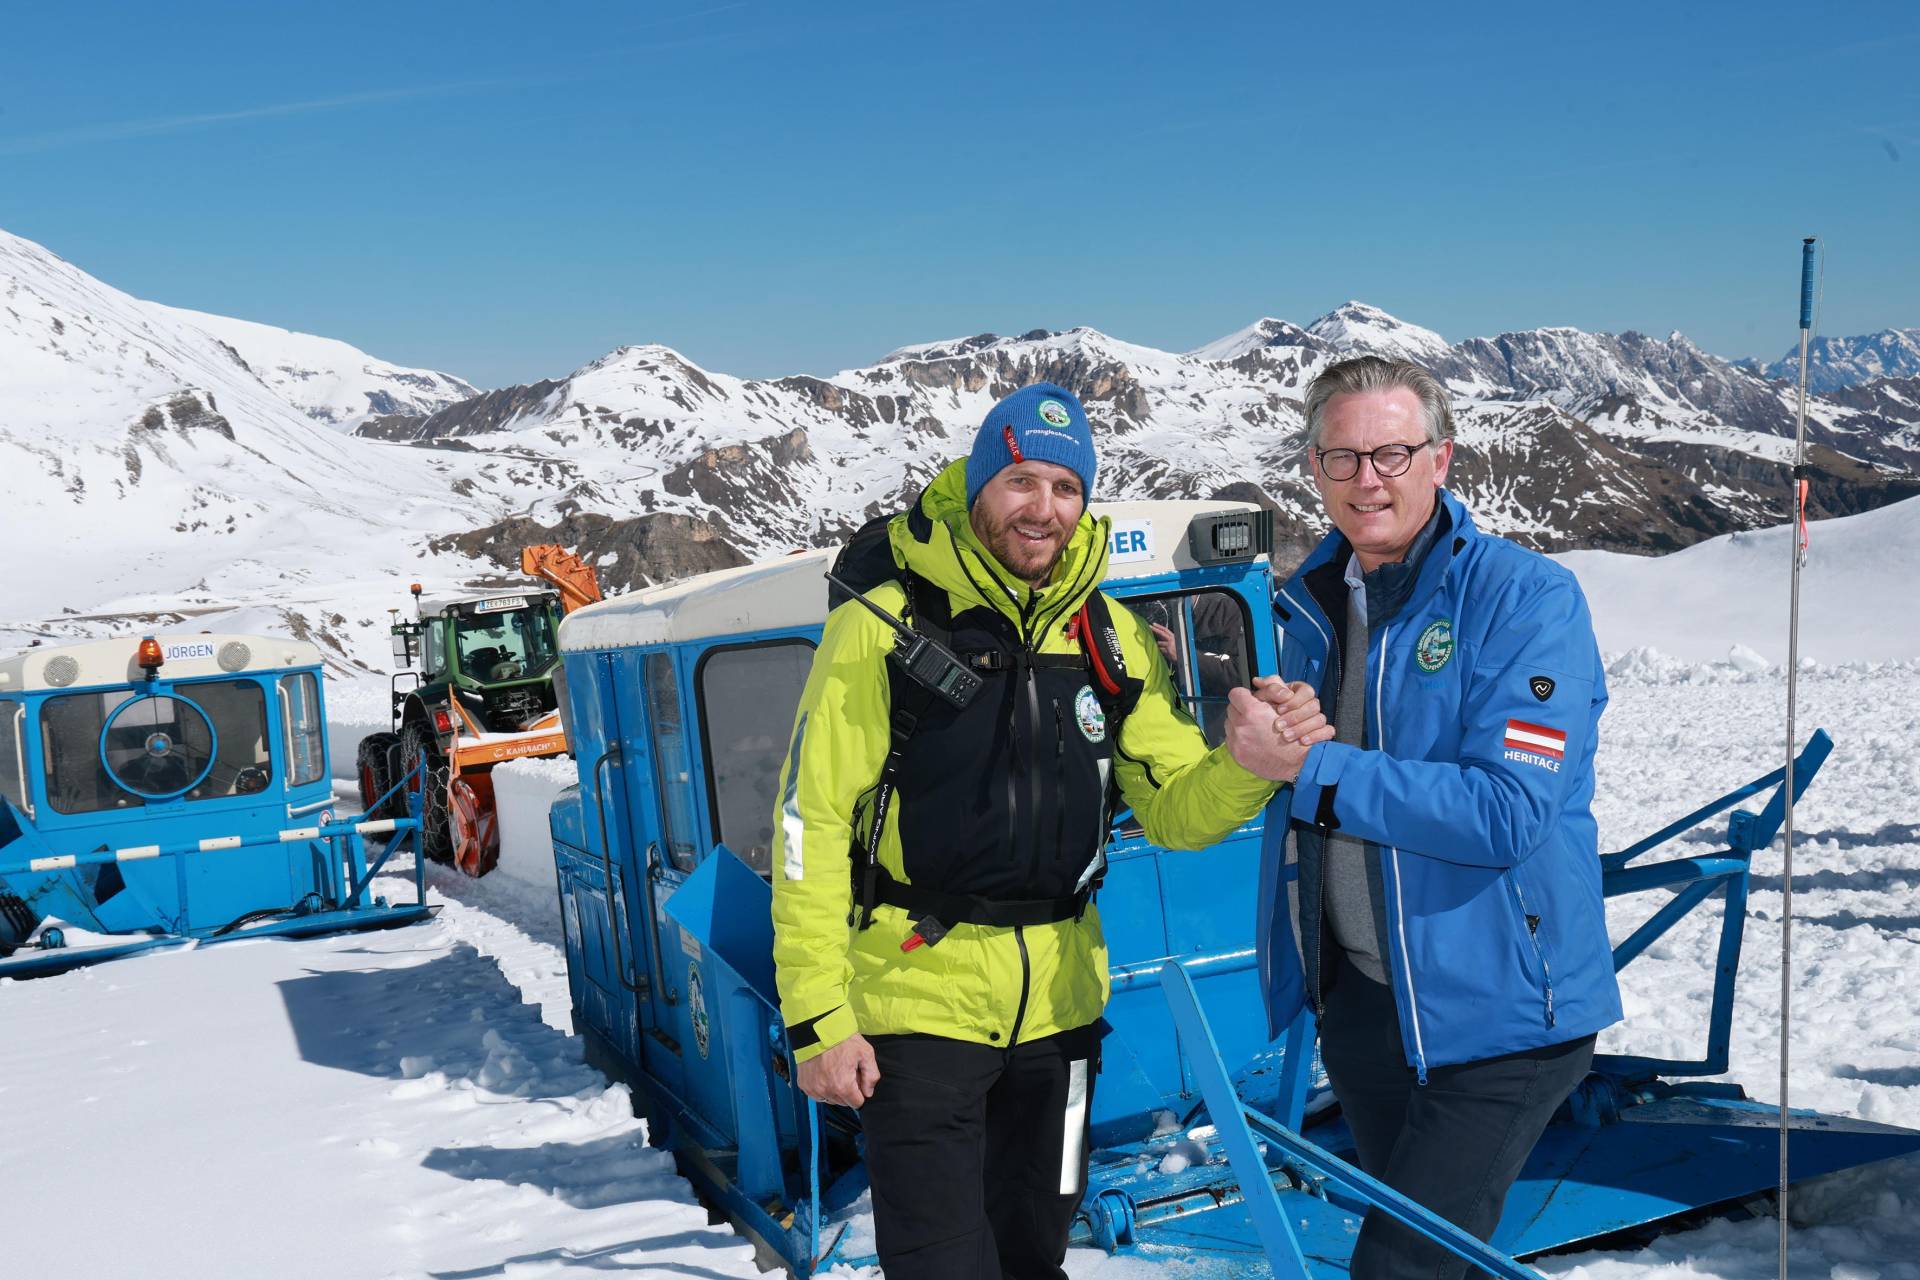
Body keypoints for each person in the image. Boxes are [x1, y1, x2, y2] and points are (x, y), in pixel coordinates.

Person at [769, 382, 1329, 1280]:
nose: (1044, 509)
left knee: (1035, 1258)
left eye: (1066, 487)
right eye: (1021, 481)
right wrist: (818, 1020)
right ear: (982, 484)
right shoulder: (883, 630)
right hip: (917, 1012)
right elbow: (810, 825)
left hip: (1063, 1014)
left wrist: (1245, 767)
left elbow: (1176, 810)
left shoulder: (1109, 635)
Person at [1238, 355, 1623, 1280]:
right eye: (1342, 458)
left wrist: (1313, 768)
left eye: (1392, 453)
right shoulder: (1315, 605)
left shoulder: (1525, 600)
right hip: (1370, 1005)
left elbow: (1507, 811)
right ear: (1314, 469)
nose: (1368, 479)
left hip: (1501, 1012)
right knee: (1439, 1260)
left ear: (1440, 460)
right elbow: (1316, 765)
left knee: (1402, 1269)